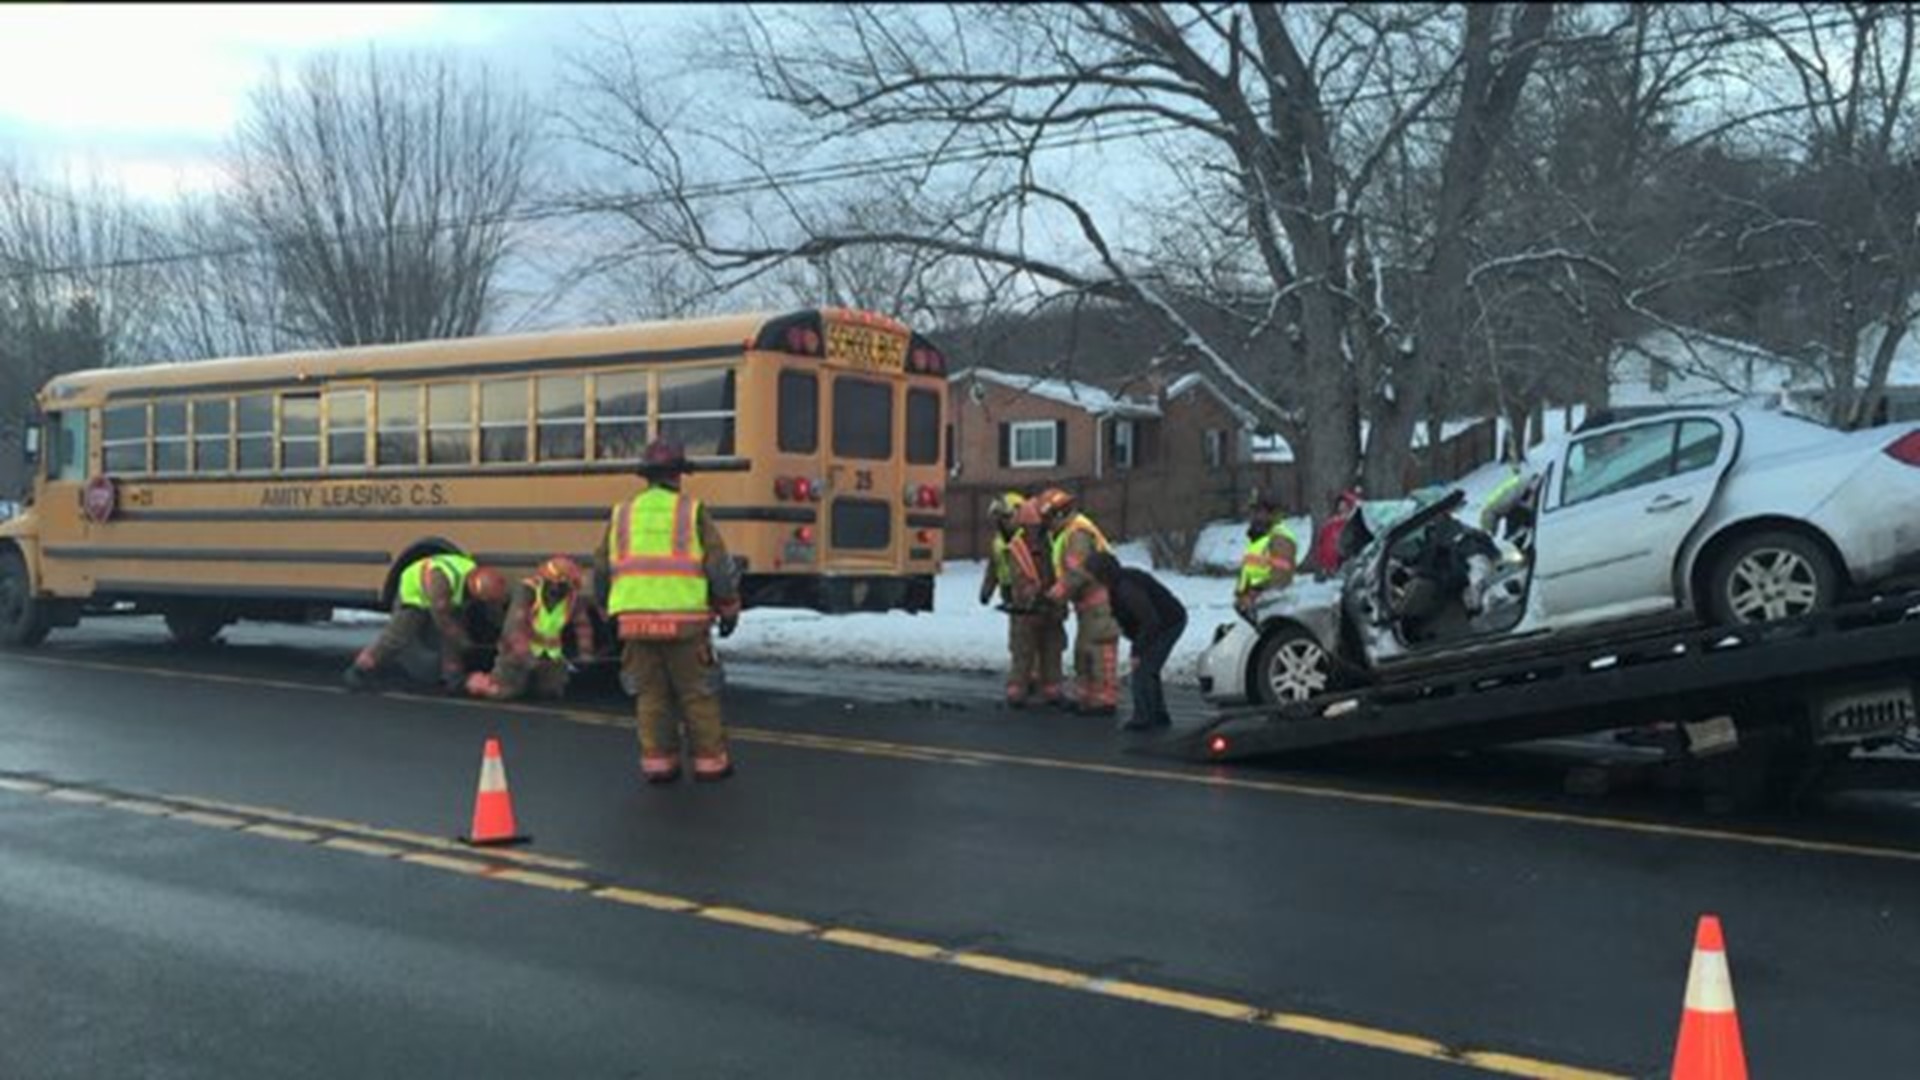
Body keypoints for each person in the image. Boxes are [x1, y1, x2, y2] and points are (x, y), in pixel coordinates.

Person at [595, 439, 743, 784]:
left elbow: (602, 567)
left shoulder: (623, 514)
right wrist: (729, 607)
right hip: (685, 623)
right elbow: (718, 566)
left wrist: (605, 607)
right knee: (697, 694)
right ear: (678, 475)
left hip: (633, 623)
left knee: (650, 696)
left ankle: (659, 764)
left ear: (646, 476)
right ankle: (710, 764)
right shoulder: (691, 512)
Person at [344, 553, 509, 692]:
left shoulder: (472, 574)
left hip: (444, 598)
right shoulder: (442, 580)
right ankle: (360, 669)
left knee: (453, 633)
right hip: (415, 593)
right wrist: (463, 640)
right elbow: (442, 617)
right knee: (398, 636)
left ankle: (452, 676)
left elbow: (489, 609)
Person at [1034, 488, 1121, 716]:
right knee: (1084, 652)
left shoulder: (1077, 534)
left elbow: (1078, 573)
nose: (1047, 525)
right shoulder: (1069, 532)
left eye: (1048, 519)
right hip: (1088, 605)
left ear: (1058, 514)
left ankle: (1104, 699)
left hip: (1101, 604)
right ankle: (1088, 696)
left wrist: (1055, 594)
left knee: (1099, 650)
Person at [464, 556, 599, 702]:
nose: (563, 589)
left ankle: (534, 681)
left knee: (549, 694)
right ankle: (479, 681)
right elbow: (515, 628)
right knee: (504, 693)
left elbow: (582, 625)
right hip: (517, 655)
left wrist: (586, 652)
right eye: (563, 584)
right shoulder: (528, 590)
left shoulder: (572, 597)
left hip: (549, 656)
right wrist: (526, 658)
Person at [1087, 551, 1188, 732]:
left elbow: (1149, 621)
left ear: (1102, 573)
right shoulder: (1118, 583)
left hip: (1168, 623)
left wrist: (1137, 651)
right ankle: (1158, 714)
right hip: (1162, 621)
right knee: (1149, 668)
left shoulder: (1126, 587)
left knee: (1143, 670)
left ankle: (1144, 718)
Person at [978, 492, 1059, 707]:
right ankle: (1028, 680)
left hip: (1032, 598)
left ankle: (1031, 682)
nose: (1001, 522)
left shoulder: (1034, 540)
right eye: (999, 518)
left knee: (1039, 643)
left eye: (1004, 517)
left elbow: (1048, 569)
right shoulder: (1000, 541)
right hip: (1014, 596)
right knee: (1020, 643)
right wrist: (986, 591)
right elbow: (993, 568)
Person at [1236, 490, 1299, 615]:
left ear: (1271, 513)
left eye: (1257, 511)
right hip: (1255, 609)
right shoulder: (1260, 539)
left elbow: (1280, 579)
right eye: (1252, 511)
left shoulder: (1280, 538)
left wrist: (1255, 594)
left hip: (1271, 609)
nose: (1252, 516)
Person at [1312, 488, 1364, 578]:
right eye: (1341, 505)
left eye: (1345, 505)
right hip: (1331, 562)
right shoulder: (1331, 524)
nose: (1342, 508)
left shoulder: (1355, 524)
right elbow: (1323, 543)